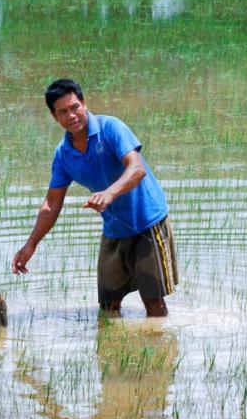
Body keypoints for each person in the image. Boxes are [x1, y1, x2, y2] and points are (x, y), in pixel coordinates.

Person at [11, 79, 178, 317]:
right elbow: (51, 204)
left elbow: (137, 169)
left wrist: (109, 193)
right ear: (54, 117)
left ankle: (158, 349)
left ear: (84, 103)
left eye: (75, 107)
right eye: (63, 112)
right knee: (108, 306)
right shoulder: (63, 155)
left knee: (154, 303)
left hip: (147, 223)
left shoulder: (111, 128)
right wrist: (31, 244)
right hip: (114, 229)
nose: (71, 116)